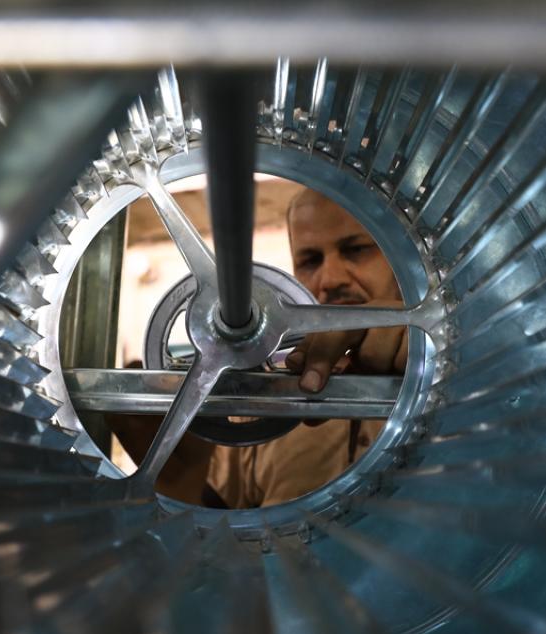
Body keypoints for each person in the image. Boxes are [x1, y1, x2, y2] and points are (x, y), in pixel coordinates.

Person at [111, 188, 408, 508]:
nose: (331, 278)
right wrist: (179, 479)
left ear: (404, 259)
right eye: (310, 260)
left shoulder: (442, 374)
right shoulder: (258, 410)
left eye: (356, 250)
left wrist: (424, 361)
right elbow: (226, 527)